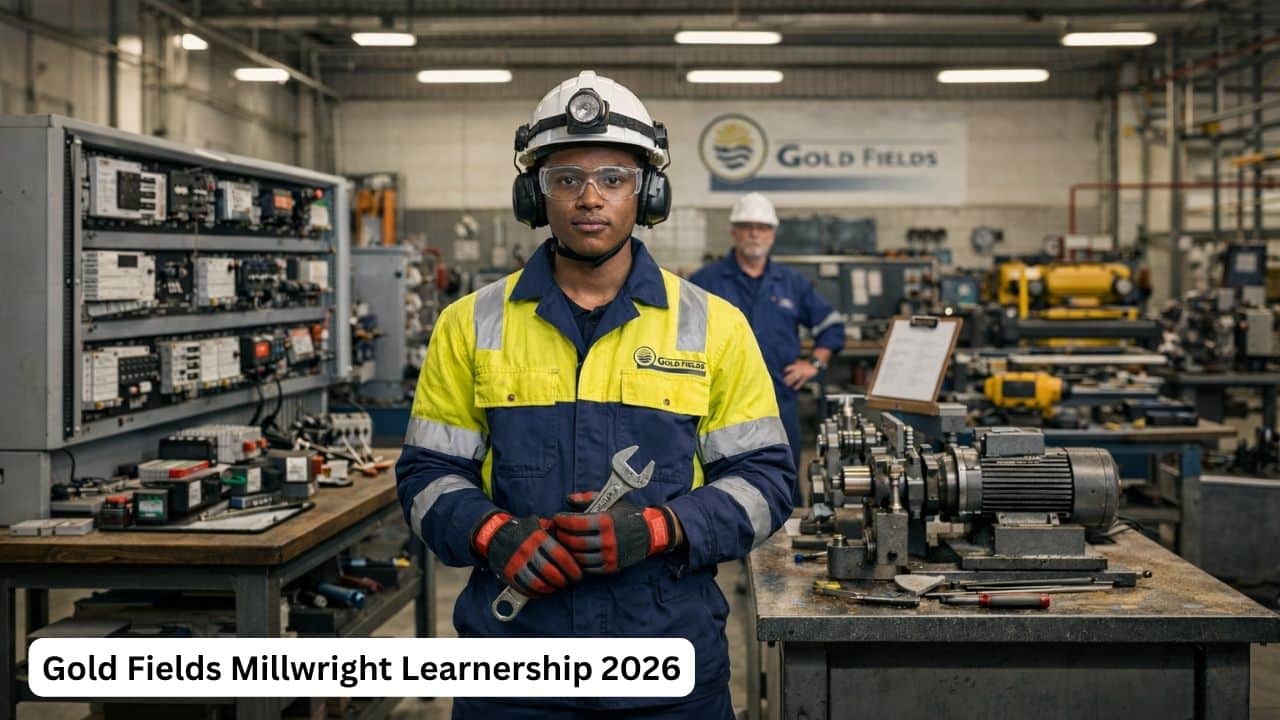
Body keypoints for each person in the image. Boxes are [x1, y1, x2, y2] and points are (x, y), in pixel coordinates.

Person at [395, 70, 795, 719]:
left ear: (647, 193)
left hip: (668, 663)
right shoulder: (469, 324)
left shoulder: (714, 325)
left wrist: (665, 527)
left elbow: (768, 481)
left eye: (613, 178)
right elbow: (425, 477)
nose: (589, 197)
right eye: (566, 179)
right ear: (535, 196)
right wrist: (492, 533)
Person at [689, 194, 846, 479]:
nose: (754, 233)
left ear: (772, 234)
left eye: (762, 227)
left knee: (782, 477)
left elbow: (832, 326)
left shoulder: (791, 283)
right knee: (719, 478)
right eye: (746, 226)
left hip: (778, 399)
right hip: (717, 402)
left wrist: (814, 364)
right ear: (733, 231)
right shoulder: (705, 282)